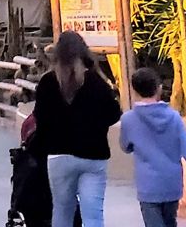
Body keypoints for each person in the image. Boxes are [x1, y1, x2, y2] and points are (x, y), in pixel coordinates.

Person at [29, 31, 121, 227]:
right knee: (93, 216)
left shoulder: (48, 82)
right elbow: (114, 114)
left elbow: (40, 118)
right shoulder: (96, 82)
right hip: (93, 156)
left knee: (62, 212)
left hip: (58, 156)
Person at [119, 67, 186, 227]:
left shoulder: (129, 119)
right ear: (159, 88)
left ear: (135, 91)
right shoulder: (174, 117)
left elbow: (125, 146)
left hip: (147, 186)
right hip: (171, 184)